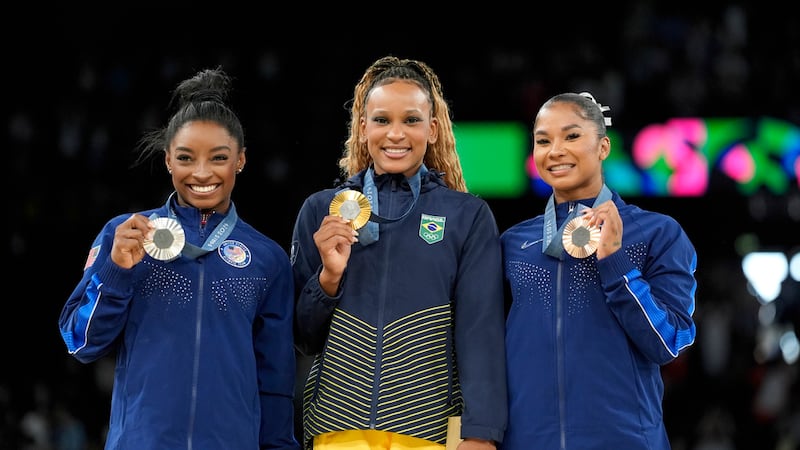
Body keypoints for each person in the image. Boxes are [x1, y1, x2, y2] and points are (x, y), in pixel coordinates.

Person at [58, 67, 300, 450]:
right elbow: (81, 341)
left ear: (240, 160)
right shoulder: (126, 235)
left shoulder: (266, 258)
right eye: (186, 158)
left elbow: (275, 381)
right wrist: (116, 271)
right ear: (169, 160)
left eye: (218, 158)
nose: (201, 173)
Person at [290, 56, 507, 450]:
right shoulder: (322, 212)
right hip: (336, 430)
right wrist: (329, 279)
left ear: (434, 129)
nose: (395, 134)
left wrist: (481, 433)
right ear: (362, 127)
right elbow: (303, 338)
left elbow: (481, 332)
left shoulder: (466, 216)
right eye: (381, 120)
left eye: (411, 120)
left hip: (426, 431)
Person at [499, 92, 697, 449]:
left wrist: (615, 263)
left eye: (572, 136)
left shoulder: (657, 233)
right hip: (528, 440)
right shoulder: (513, 242)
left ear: (603, 147)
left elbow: (669, 342)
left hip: (625, 440)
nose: (555, 150)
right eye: (543, 141)